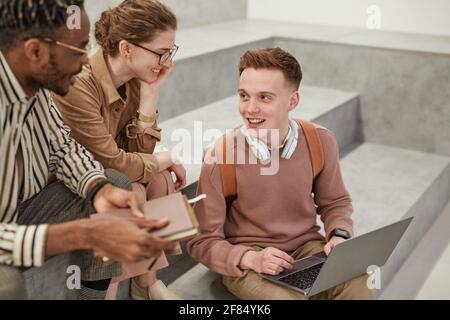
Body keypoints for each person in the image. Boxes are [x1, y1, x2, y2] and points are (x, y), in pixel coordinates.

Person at [0, 0, 175, 300]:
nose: (86, 61)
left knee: (116, 184)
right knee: (7, 284)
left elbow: (65, 148)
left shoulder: (38, 89)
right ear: (35, 51)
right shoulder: (75, 86)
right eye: (78, 50)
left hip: (24, 205)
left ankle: (136, 284)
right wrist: (84, 233)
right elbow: (114, 157)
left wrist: (99, 189)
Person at [187, 48, 373, 300]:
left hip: (306, 247)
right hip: (249, 259)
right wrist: (249, 258)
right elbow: (202, 242)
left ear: (292, 101)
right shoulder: (220, 155)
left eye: (264, 97)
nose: (250, 108)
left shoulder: (320, 142)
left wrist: (339, 234)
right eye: (244, 95)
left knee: (359, 283)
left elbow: (336, 202)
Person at [52, 0, 184, 300]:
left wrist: (151, 94)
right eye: (162, 52)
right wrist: (166, 158)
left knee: (160, 180)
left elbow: (138, 150)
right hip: (70, 184)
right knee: (130, 191)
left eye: (171, 51)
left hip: (105, 173)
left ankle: (147, 281)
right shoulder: (78, 84)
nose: (167, 62)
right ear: (127, 49)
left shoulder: (135, 80)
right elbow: (111, 162)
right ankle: (111, 290)